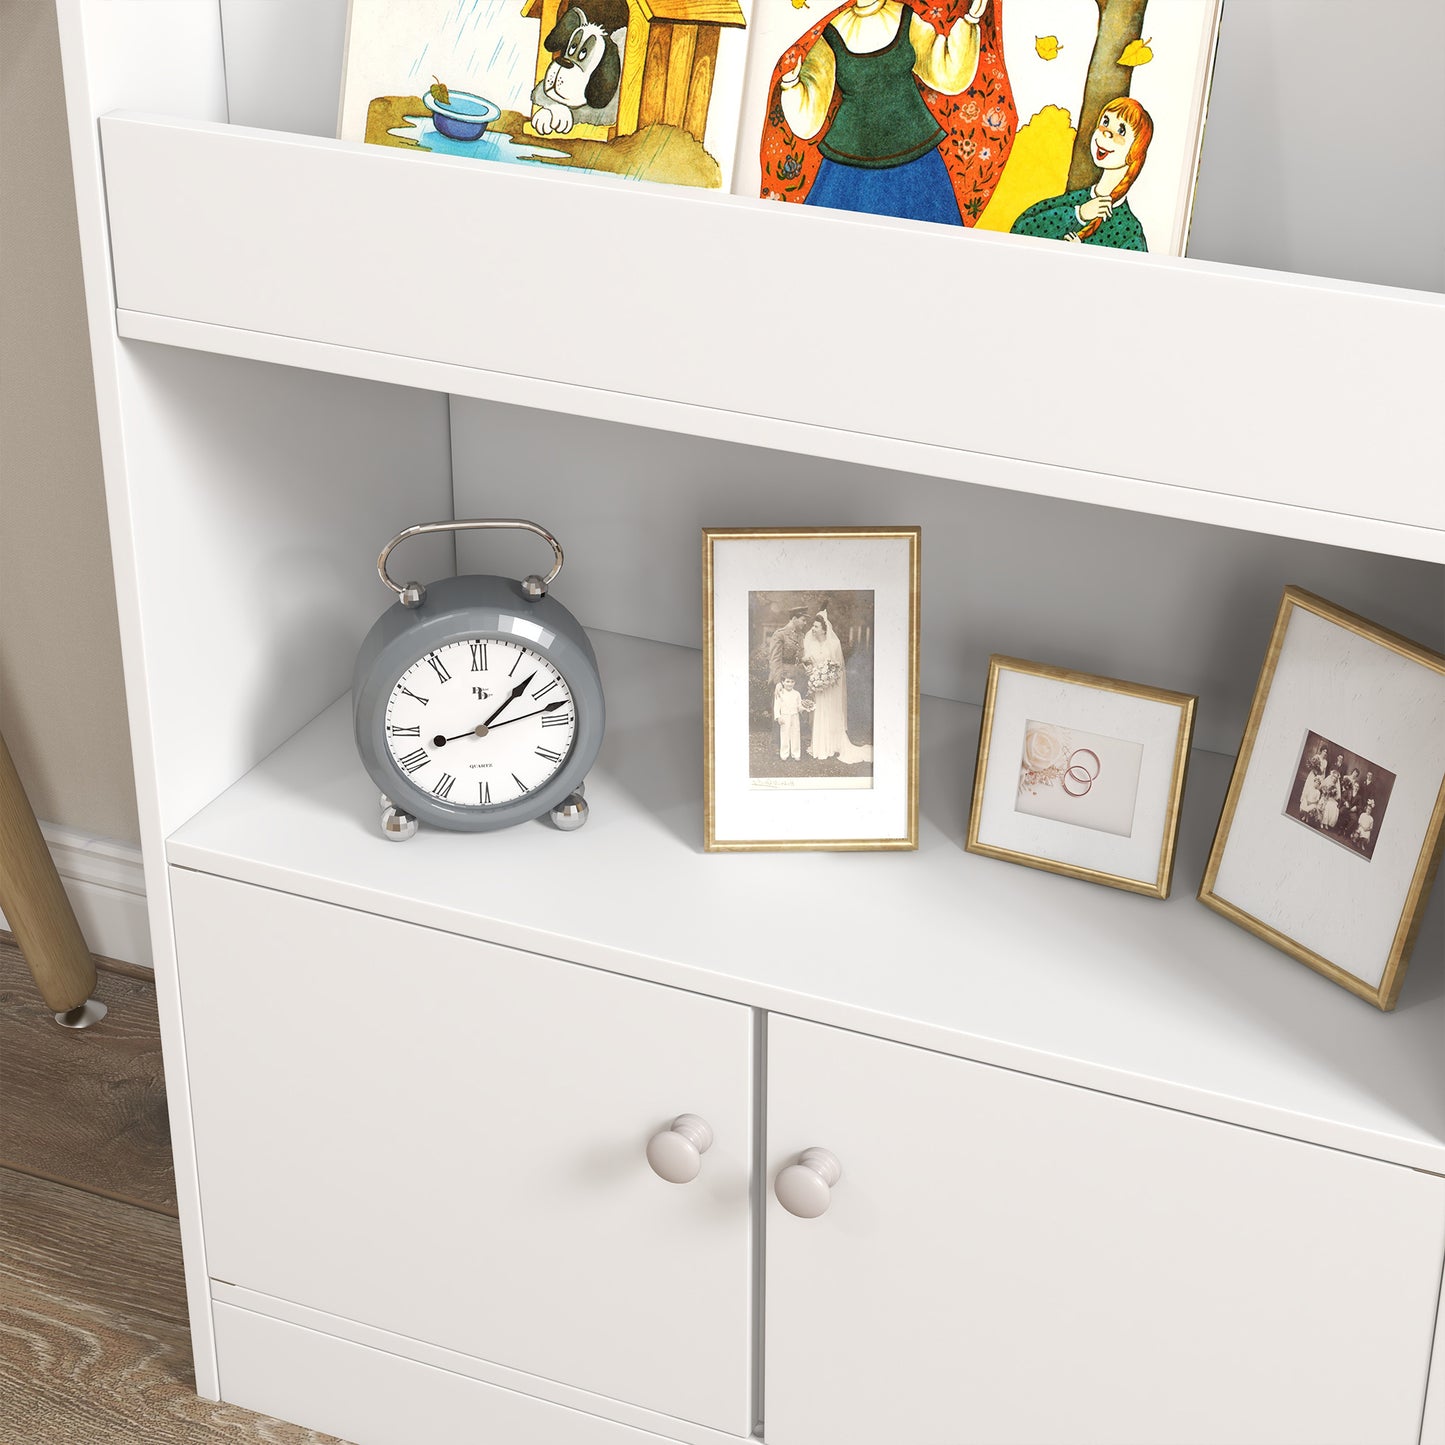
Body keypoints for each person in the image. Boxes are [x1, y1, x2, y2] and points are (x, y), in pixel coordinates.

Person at [778, 0, 988, 225]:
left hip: (915, 154)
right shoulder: (832, 32)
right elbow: (811, 112)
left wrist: (970, 21)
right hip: (850, 162)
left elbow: (945, 72)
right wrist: (791, 85)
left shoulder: (904, 17)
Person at [1011, 97, 1153, 250]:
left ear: (1135, 150)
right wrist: (1079, 214)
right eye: (1105, 122)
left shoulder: (1130, 231)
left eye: (1121, 131)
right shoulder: (1076, 200)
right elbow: (1020, 230)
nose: (1106, 133)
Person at [803, 611, 873, 764]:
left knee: (830, 712)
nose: (813, 629)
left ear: (824, 629)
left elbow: (838, 667)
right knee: (819, 712)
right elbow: (808, 664)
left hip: (830, 686)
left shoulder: (834, 644)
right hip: (818, 685)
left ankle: (833, 745)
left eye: (816, 626)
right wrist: (811, 672)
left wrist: (828, 678)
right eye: (813, 626)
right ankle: (821, 745)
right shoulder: (811, 644)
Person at [774, 675, 807, 762]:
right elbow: (776, 706)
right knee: (784, 734)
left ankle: (796, 754)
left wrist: (804, 707)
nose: (790, 684)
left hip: (795, 716)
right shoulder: (780, 693)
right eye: (787, 681)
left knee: (796, 733)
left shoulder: (797, 694)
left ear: (794, 683)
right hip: (784, 716)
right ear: (783, 682)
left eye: (792, 682)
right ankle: (784, 754)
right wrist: (778, 717)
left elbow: (799, 706)